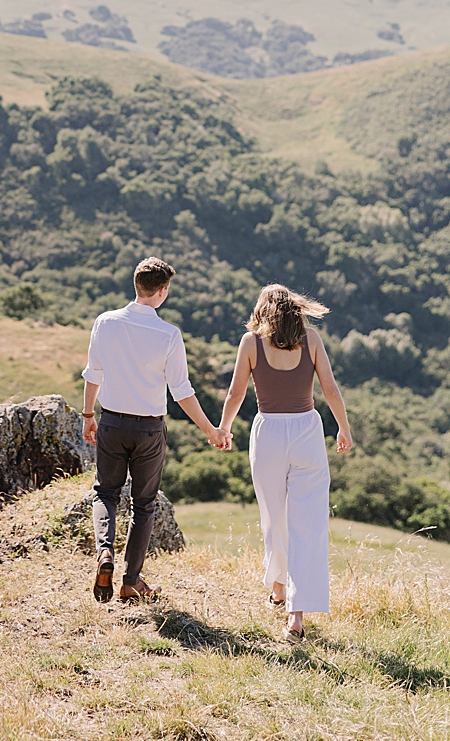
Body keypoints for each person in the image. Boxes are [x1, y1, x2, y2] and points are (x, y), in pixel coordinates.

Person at [81, 257, 230, 603]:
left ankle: (105, 552)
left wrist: (89, 414)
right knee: (143, 504)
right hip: (149, 430)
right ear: (162, 292)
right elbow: (182, 391)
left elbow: (93, 374)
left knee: (105, 493)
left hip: (112, 422)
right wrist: (211, 430)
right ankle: (131, 581)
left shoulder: (105, 322)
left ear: (136, 285)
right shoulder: (169, 334)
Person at [215, 283, 353, 641]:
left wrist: (224, 429)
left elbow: (235, 393)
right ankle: (295, 613)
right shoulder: (312, 340)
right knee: (307, 523)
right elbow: (331, 389)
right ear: (295, 309)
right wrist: (343, 428)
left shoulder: (250, 343)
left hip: (269, 434)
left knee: (275, 516)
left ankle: (279, 586)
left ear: (263, 309)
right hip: (307, 431)